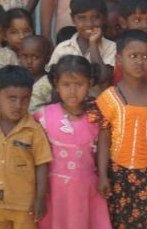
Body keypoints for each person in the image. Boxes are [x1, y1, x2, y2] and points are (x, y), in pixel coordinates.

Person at [94, 30, 147, 228]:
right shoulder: (110, 98)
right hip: (119, 174)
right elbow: (104, 139)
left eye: (145, 56)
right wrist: (103, 175)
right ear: (119, 59)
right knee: (123, 220)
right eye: (133, 56)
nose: (140, 61)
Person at [34, 55, 111, 228]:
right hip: (55, 190)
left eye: (79, 84)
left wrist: (104, 176)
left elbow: (103, 147)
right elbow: (37, 157)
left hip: (86, 187)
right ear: (56, 84)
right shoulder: (43, 116)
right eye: (66, 85)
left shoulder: (97, 116)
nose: (72, 91)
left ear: (90, 83)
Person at [0, 65, 52, 229]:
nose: (18, 105)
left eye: (25, 99)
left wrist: (40, 198)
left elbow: (42, 165)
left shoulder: (34, 131)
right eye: (12, 98)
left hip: (24, 205)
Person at [47, 0, 115, 92]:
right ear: (73, 19)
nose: (89, 24)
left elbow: (102, 78)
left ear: (104, 18)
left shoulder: (111, 47)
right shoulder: (62, 49)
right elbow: (53, 85)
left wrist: (93, 44)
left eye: (95, 17)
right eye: (82, 18)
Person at [18, 35, 52, 113]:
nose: (29, 62)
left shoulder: (49, 83)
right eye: (24, 56)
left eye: (35, 57)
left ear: (47, 60)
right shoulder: (16, 79)